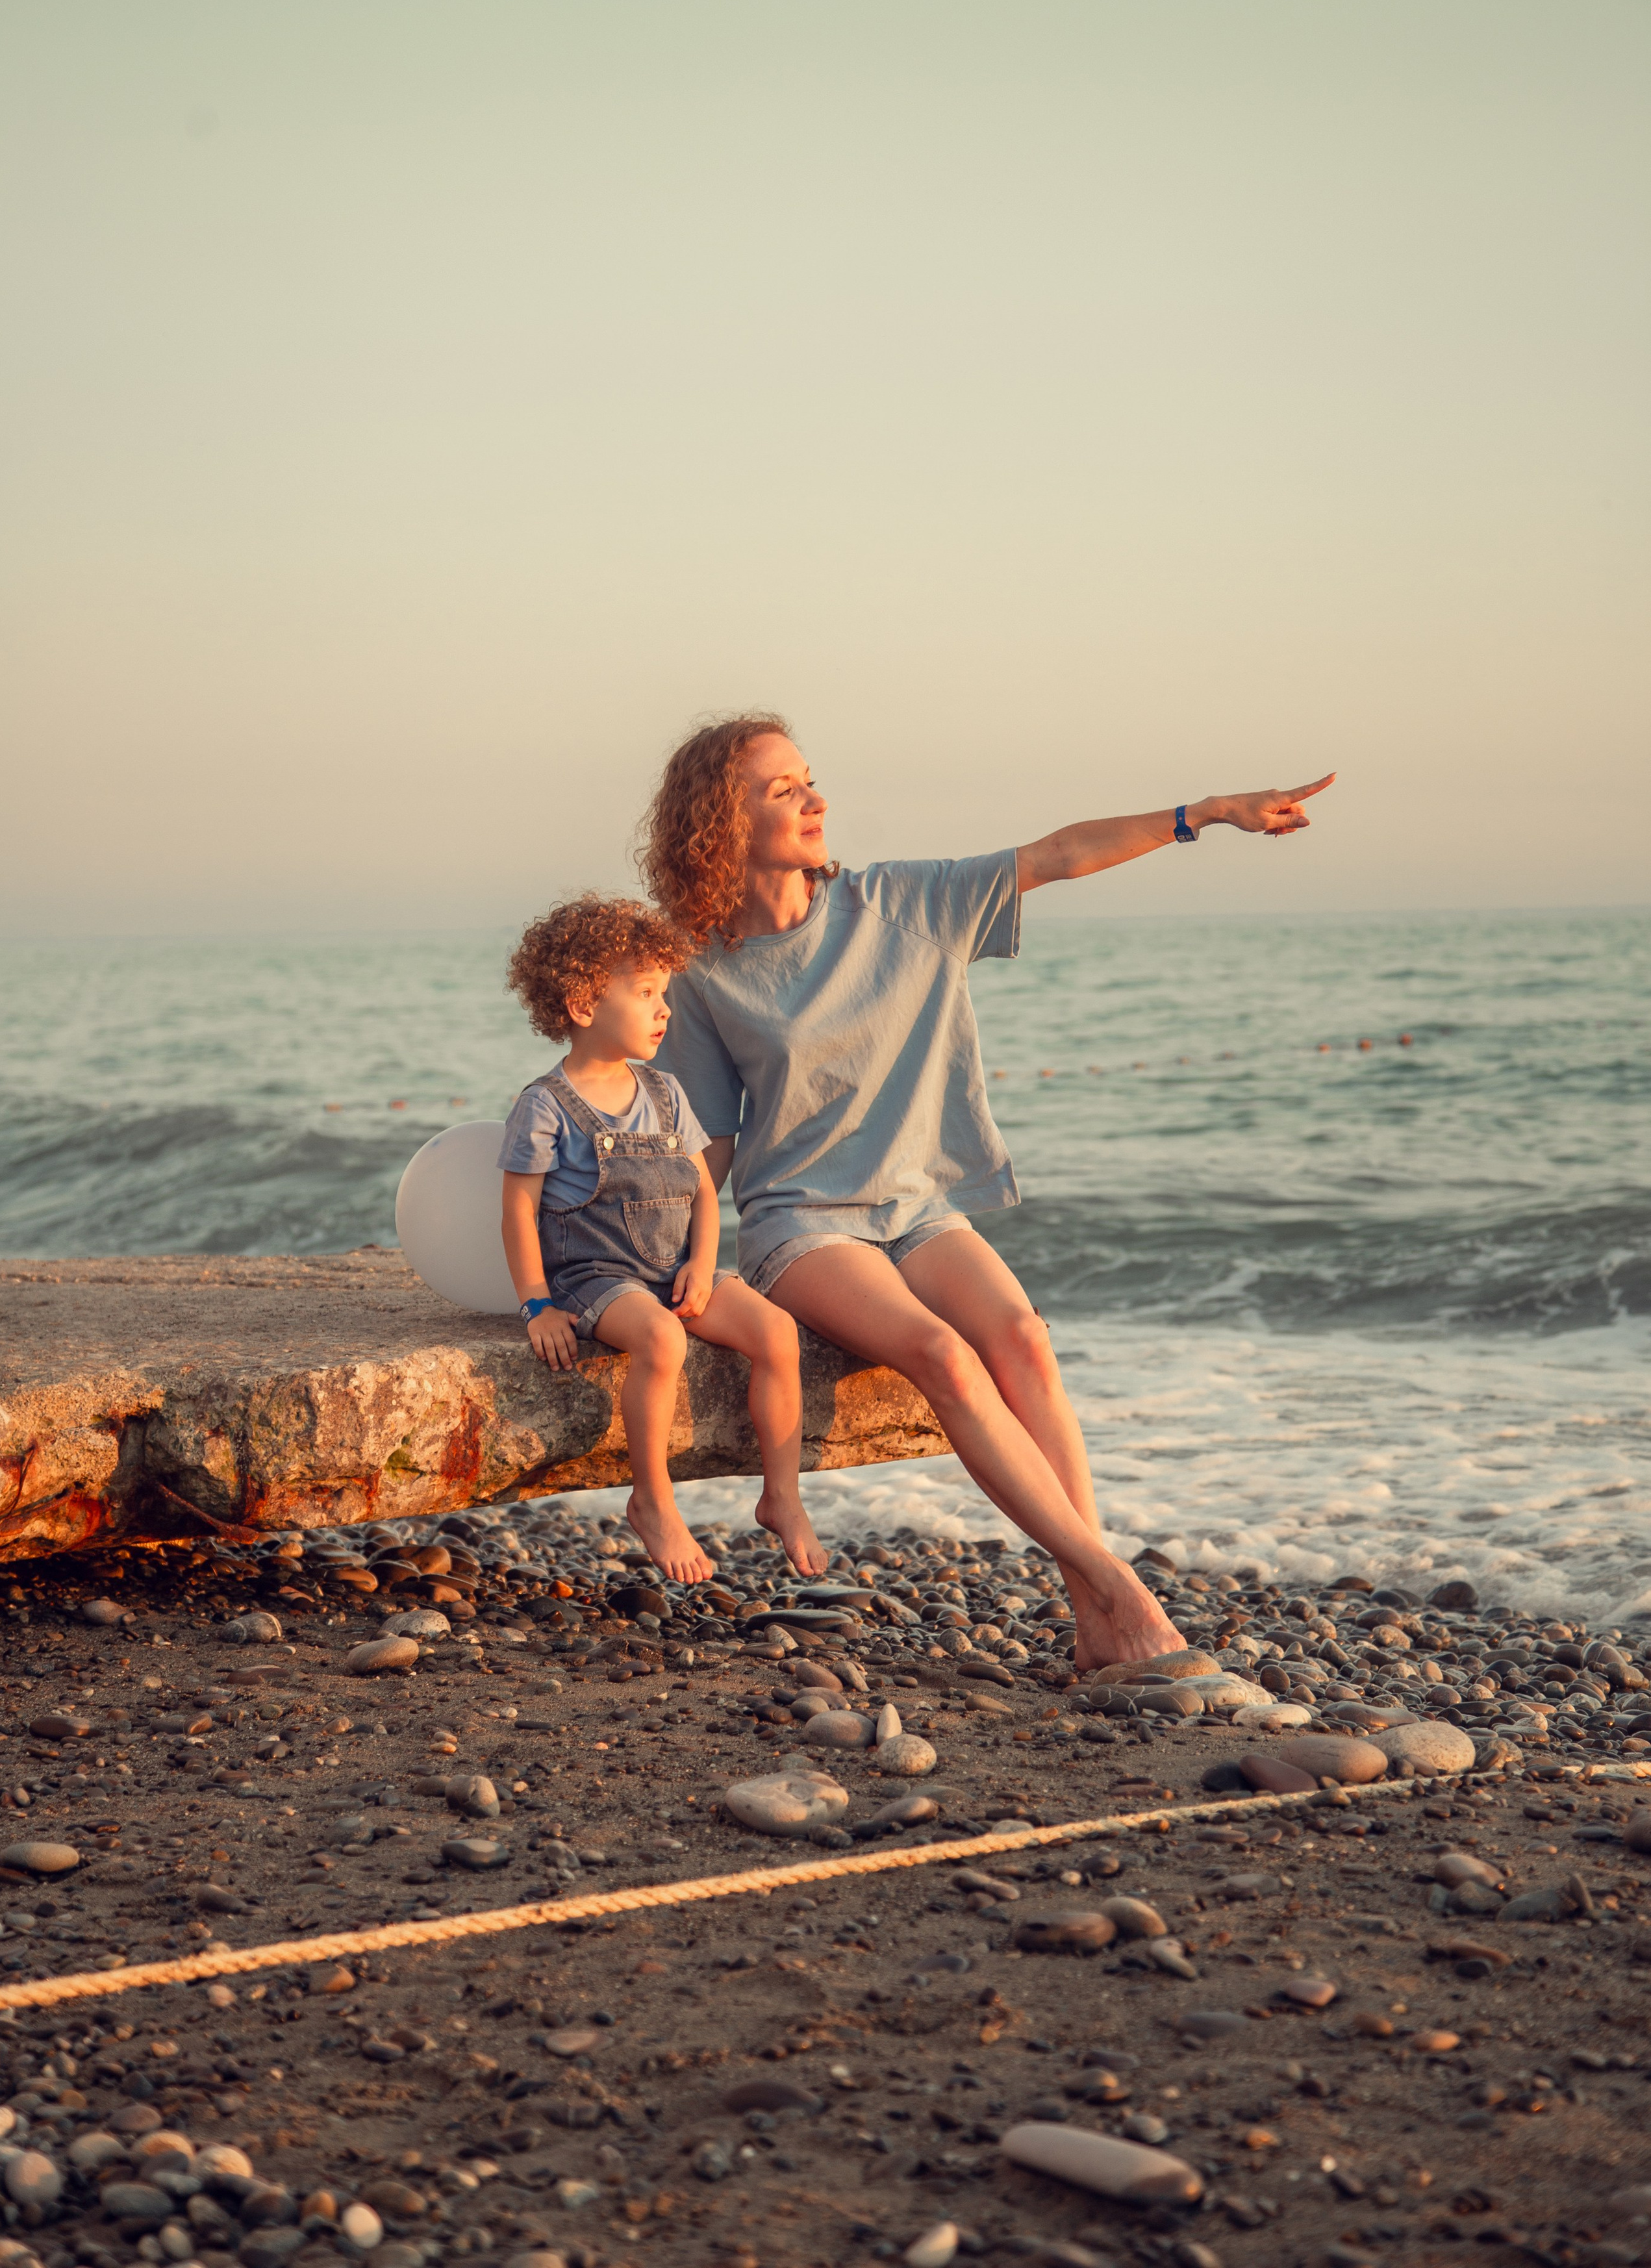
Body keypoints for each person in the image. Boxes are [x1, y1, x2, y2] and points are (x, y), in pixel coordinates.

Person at [642, 716, 1333, 1670]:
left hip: (919, 1207)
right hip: (801, 1222)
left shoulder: (901, 903)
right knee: (943, 1355)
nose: (816, 800)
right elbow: (709, 1142)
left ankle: (1093, 1612)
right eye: (783, 789)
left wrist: (1207, 813)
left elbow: (1057, 855)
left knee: (1023, 1340)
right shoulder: (702, 971)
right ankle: (1122, 1592)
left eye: (811, 779)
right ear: (721, 821)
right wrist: (666, 1253)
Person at [498, 892, 828, 1583]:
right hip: (595, 1280)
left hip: (674, 1267)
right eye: (645, 992)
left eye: (665, 993)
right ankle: (651, 1500)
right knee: (662, 1338)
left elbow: (703, 1190)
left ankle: (783, 1496)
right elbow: (518, 1213)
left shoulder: (666, 1092)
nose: (664, 1009)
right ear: (583, 1004)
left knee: (775, 1331)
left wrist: (703, 1266)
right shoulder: (545, 1106)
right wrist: (536, 1305)